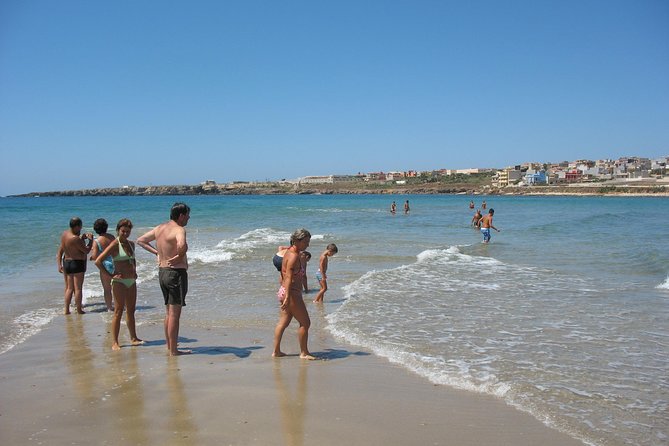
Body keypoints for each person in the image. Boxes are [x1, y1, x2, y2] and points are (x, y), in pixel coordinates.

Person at [137, 202, 191, 356]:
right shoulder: (179, 230)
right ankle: (174, 350)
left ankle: (170, 345)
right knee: (175, 314)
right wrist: (179, 255)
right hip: (176, 274)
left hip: (162, 272)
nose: (189, 218)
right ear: (181, 215)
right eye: (187, 214)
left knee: (168, 312)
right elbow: (182, 245)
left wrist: (157, 253)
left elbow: (140, 240)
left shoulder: (160, 228)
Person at [95, 219, 143, 350]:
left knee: (131, 311)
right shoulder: (115, 244)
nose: (125, 234)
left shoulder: (131, 244)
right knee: (118, 311)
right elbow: (98, 261)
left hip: (131, 281)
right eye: (123, 231)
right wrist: (110, 275)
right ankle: (115, 342)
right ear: (118, 231)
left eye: (128, 232)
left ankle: (133, 338)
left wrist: (135, 271)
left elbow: (133, 260)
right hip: (119, 282)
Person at [273, 228, 316, 359]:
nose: (308, 245)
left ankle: (276, 352)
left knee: (283, 322)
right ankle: (304, 352)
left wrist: (283, 292)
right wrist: (287, 297)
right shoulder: (294, 256)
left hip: (285, 291)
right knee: (305, 323)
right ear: (297, 241)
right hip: (291, 294)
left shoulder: (288, 252)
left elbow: (283, 274)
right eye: (305, 242)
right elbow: (288, 277)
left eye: (308, 242)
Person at [57, 217, 93, 314]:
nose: (80, 229)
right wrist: (91, 240)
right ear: (77, 226)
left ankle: (66, 309)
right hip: (77, 263)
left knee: (69, 288)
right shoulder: (75, 238)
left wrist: (59, 264)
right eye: (80, 227)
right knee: (78, 288)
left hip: (67, 263)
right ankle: (79, 309)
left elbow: (63, 249)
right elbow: (86, 250)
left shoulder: (64, 234)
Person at [90, 218, 115, 311]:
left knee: (107, 289)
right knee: (116, 287)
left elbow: (96, 256)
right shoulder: (112, 237)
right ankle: (119, 305)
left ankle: (109, 307)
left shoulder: (96, 241)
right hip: (114, 262)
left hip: (104, 265)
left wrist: (92, 257)